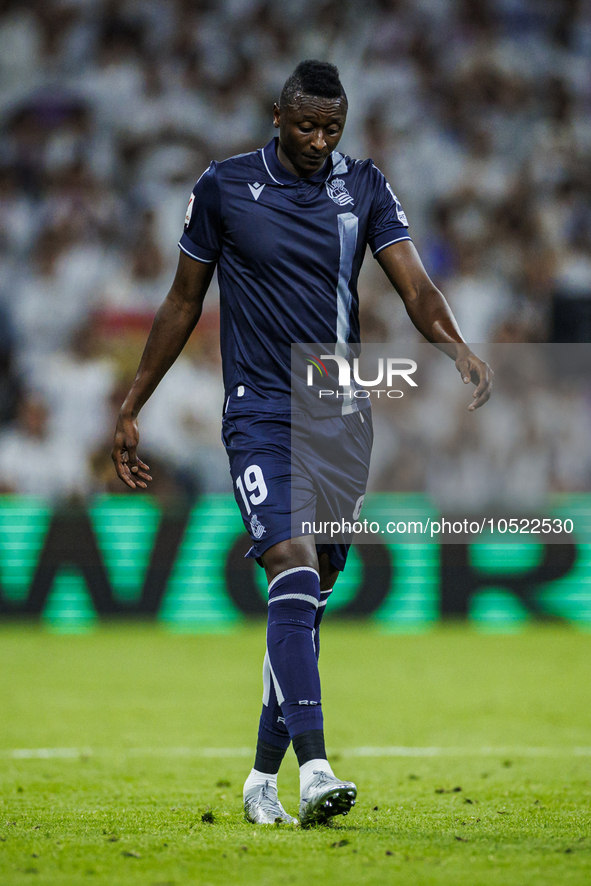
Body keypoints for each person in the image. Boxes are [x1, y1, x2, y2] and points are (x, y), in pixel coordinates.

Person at [112, 60, 492, 827]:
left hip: (339, 414)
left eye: (332, 128)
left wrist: (456, 345)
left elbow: (413, 286)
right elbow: (184, 298)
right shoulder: (222, 187)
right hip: (259, 409)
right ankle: (316, 767)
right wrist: (132, 403)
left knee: (306, 598)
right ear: (276, 115)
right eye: (307, 125)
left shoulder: (365, 187)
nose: (319, 141)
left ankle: (260, 781)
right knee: (289, 560)